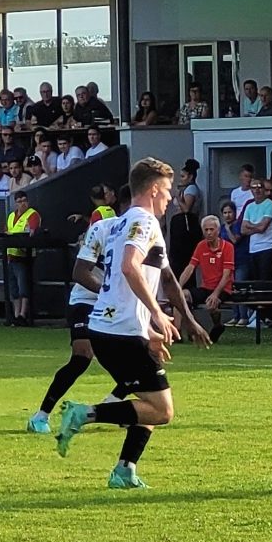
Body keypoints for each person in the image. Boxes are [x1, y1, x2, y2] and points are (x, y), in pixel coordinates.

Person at [54, 158, 209, 489]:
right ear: (153, 190)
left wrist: (185, 322)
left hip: (115, 328)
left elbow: (166, 278)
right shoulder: (144, 222)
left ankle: (125, 469)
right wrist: (155, 313)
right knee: (163, 411)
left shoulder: (122, 223)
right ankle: (84, 413)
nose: (170, 199)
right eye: (167, 191)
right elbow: (128, 267)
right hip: (120, 332)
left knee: (150, 402)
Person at [26, 201, 131, 435]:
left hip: (111, 304)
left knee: (136, 359)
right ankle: (41, 415)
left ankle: (112, 404)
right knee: (82, 356)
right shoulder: (96, 237)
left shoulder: (131, 237)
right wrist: (108, 292)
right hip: (85, 300)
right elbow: (81, 274)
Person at [180, 213, 237, 339]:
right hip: (206, 287)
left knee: (212, 303)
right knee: (183, 295)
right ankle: (190, 329)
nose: (209, 233)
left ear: (218, 230)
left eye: (212, 229)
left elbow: (227, 274)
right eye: (206, 230)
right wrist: (178, 286)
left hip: (223, 288)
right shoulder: (201, 246)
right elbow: (190, 268)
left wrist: (216, 294)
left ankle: (217, 325)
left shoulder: (228, 247)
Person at [4, 191, 41, 327]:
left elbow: (32, 232)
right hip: (11, 254)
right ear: (15, 203)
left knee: (23, 286)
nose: (22, 204)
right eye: (19, 201)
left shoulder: (33, 214)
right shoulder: (11, 216)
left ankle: (23, 314)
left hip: (24, 255)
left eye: (24, 200)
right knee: (14, 288)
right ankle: (15, 315)